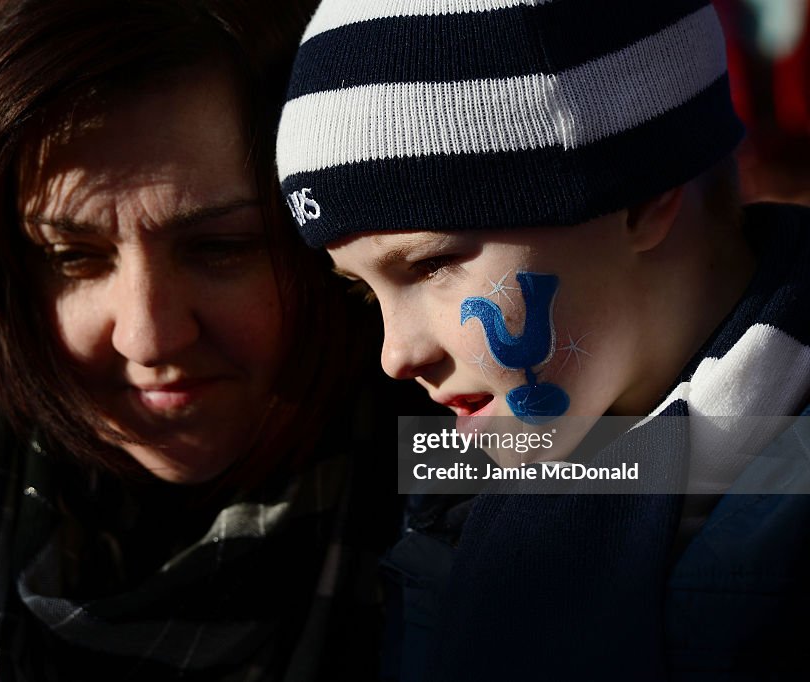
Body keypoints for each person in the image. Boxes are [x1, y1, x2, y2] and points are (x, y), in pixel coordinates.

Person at [0, 0, 396, 679]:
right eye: (73, 257)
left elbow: (533, 462)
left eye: (223, 247)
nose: (148, 337)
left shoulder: (454, 401)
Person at [276, 0, 810, 679]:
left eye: (432, 263)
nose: (396, 354)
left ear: (641, 196)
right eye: (361, 289)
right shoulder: (455, 482)